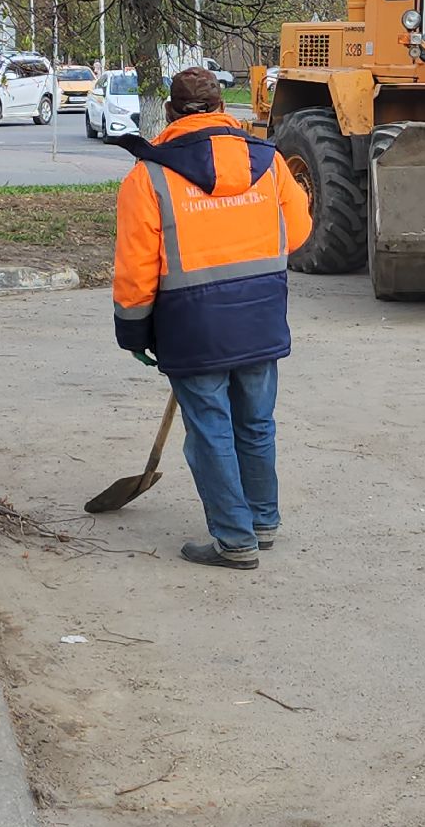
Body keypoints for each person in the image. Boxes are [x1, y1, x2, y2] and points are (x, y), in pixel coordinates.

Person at [110, 68, 312, 571]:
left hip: (192, 324)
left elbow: (136, 269)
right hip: (261, 314)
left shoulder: (149, 176)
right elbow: (300, 229)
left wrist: (134, 330)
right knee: (257, 423)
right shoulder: (267, 163)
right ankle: (262, 523)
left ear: (173, 113)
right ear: (222, 107)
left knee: (210, 432)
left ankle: (234, 539)